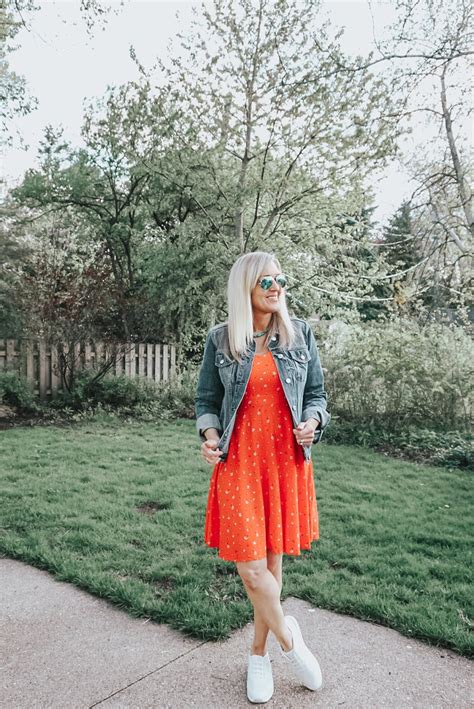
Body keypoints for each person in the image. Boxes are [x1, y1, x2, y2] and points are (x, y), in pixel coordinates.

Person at [195, 251, 331, 704]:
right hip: (239, 463)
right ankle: (290, 640)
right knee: (253, 572)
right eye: (266, 282)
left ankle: (258, 657)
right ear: (246, 289)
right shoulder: (221, 340)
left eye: (280, 280)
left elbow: (316, 395)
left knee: (271, 567)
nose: (276, 288)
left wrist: (314, 422)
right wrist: (210, 435)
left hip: (284, 462)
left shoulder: (299, 334)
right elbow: (206, 402)